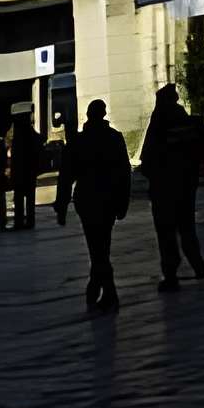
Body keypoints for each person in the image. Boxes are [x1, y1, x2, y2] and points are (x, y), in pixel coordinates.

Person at [56, 100, 133, 313]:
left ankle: (104, 290)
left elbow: (66, 177)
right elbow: (124, 173)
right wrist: (123, 202)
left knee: (96, 248)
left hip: (87, 200)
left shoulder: (79, 142)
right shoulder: (114, 138)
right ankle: (101, 288)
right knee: (102, 247)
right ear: (104, 114)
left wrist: (61, 206)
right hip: (109, 200)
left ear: (89, 116)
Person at [139, 82, 204, 289]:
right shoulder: (187, 122)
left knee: (166, 233)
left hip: (163, 188)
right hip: (186, 185)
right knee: (187, 228)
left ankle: (171, 274)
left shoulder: (159, 121)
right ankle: (198, 265)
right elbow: (198, 153)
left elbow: (148, 158)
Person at [9, 110, 44, 230]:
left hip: (20, 172)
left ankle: (19, 221)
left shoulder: (18, 137)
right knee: (29, 198)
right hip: (30, 172)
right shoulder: (32, 135)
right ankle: (30, 220)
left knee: (19, 198)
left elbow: (15, 158)